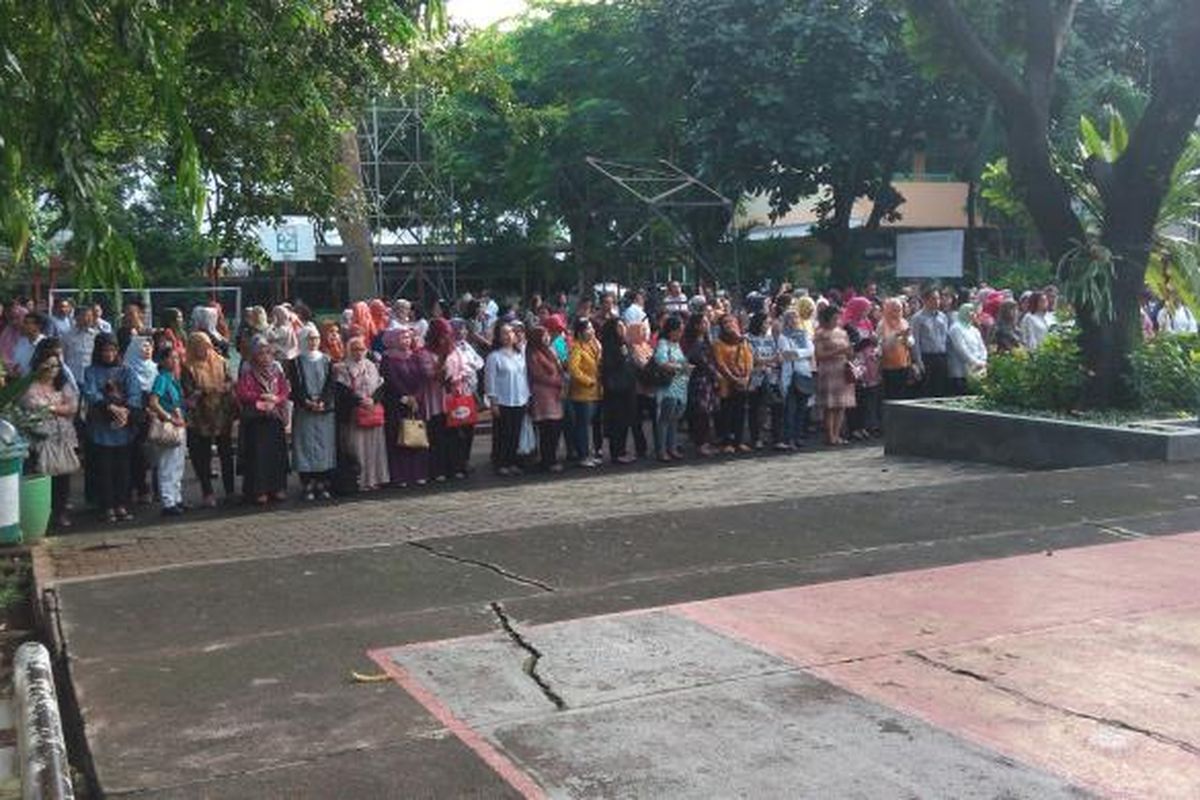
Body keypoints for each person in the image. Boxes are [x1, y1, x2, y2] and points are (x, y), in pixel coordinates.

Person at [82, 333, 142, 523]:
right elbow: (90, 393)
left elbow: (135, 394)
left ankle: (121, 504)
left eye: (112, 350)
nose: (108, 354)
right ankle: (107, 506)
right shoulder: (91, 371)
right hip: (101, 426)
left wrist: (125, 411)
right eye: (104, 350)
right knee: (104, 469)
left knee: (123, 469)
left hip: (124, 428)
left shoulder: (127, 371)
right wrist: (110, 407)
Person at [21, 342, 80, 530]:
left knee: (63, 477)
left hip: (62, 438)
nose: (52, 370)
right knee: (44, 476)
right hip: (41, 439)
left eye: (55, 365)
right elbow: (33, 408)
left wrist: (53, 408)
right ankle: (42, 514)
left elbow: (72, 406)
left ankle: (61, 511)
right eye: (48, 365)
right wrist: (56, 409)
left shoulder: (62, 384)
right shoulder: (30, 386)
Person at [181, 331, 236, 507]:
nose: (203, 350)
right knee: (202, 456)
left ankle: (230, 491)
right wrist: (203, 391)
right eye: (199, 347)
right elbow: (189, 392)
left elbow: (230, 381)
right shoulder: (188, 367)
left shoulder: (221, 361)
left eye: (206, 346)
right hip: (201, 417)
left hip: (222, 414)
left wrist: (224, 387)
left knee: (226, 454)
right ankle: (208, 492)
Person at [235, 336, 291, 504]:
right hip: (257, 421)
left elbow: (285, 390)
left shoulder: (276, 373)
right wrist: (261, 396)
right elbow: (242, 392)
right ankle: (259, 490)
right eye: (261, 354)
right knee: (259, 456)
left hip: (274, 418)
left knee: (277, 455)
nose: (265, 357)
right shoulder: (248, 373)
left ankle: (278, 487)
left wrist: (276, 398)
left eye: (268, 354)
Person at [289, 324, 337, 500]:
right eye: (309, 338)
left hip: (324, 410)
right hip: (305, 410)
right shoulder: (295, 362)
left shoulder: (326, 360)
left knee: (324, 446)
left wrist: (323, 401)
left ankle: (322, 481)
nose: (313, 342)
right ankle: (307, 482)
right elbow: (295, 387)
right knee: (306, 446)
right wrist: (307, 402)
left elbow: (331, 384)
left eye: (316, 338)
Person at [336, 336, 389, 492]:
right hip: (355, 414)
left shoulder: (371, 365)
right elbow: (342, 391)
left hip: (372, 411)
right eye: (355, 349)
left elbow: (380, 385)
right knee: (357, 447)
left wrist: (373, 399)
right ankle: (360, 480)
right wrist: (359, 401)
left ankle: (375, 479)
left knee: (374, 448)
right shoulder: (343, 367)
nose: (359, 352)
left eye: (361, 349)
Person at [380, 327, 432, 487]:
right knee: (399, 438)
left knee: (417, 436)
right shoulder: (387, 359)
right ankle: (400, 476)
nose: (407, 341)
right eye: (403, 338)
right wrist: (405, 397)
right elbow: (391, 380)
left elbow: (423, 378)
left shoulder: (415, 356)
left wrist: (416, 397)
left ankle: (419, 473)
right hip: (397, 404)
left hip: (416, 404)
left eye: (409, 337)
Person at [485, 323, 530, 476]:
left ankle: (512, 462)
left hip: (520, 400)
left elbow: (524, 378)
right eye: (504, 333)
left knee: (515, 433)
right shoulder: (494, 357)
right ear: (499, 337)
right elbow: (490, 381)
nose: (508, 335)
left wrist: (527, 397)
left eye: (511, 332)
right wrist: (493, 401)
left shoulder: (520, 355)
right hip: (503, 401)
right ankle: (501, 463)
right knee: (503, 433)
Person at [147, 348, 188, 516]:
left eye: (177, 358)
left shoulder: (174, 379)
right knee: (167, 463)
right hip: (169, 425)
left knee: (178, 463)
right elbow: (153, 402)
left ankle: (176, 497)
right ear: (163, 361)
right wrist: (168, 417)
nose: (175, 361)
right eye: (171, 358)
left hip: (180, 424)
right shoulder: (162, 378)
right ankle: (168, 500)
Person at [123, 335, 158, 505]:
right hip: (135, 415)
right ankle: (136, 488)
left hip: (154, 414)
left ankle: (153, 489)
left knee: (151, 452)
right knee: (136, 452)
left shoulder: (154, 368)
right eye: (144, 346)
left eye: (150, 346)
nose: (148, 349)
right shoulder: (128, 369)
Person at [814, 304, 855, 446]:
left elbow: (849, 351)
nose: (837, 320)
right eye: (834, 317)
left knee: (841, 404)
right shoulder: (820, 333)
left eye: (838, 317)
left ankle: (837, 435)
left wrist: (850, 351)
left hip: (842, 368)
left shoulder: (842, 332)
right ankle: (830, 436)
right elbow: (819, 355)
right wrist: (838, 351)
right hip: (828, 369)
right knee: (830, 405)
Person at [599, 319, 638, 464]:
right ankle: (616, 452)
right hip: (616, 390)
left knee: (626, 420)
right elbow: (609, 367)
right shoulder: (609, 346)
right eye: (619, 326)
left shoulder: (625, 344)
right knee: (617, 421)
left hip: (628, 387)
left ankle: (622, 449)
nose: (623, 328)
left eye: (623, 325)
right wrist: (622, 357)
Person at [447, 319, 483, 478]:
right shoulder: (450, 348)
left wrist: (470, 367)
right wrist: (466, 370)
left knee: (469, 428)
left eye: (464, 330)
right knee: (457, 430)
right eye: (459, 330)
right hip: (456, 392)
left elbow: (478, 361)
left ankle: (465, 460)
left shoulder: (467, 346)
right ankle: (456, 463)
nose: (462, 333)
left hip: (470, 391)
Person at [526, 325, 565, 472]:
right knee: (547, 429)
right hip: (543, 395)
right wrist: (558, 383)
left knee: (555, 427)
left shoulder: (550, 351)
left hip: (555, 394)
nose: (547, 338)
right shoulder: (533, 354)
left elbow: (559, 367)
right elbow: (538, 375)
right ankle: (548, 460)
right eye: (544, 335)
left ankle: (552, 457)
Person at [712, 315, 753, 453]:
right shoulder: (718, 343)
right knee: (727, 412)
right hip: (726, 383)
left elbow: (749, 359)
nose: (729, 324)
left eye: (732, 321)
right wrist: (732, 378)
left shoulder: (743, 341)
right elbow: (720, 363)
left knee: (740, 412)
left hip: (742, 381)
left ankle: (739, 441)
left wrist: (747, 376)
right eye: (725, 322)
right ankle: (727, 442)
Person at [422, 320, 456, 482]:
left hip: (451, 399)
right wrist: (442, 358)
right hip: (434, 400)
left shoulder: (453, 350)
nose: (445, 338)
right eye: (442, 335)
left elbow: (459, 369)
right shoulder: (425, 353)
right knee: (436, 436)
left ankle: (453, 467)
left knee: (451, 436)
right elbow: (432, 375)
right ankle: (437, 470)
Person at [567, 318, 603, 468]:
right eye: (588, 329)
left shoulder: (593, 345)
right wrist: (588, 381)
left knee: (590, 424)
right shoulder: (576, 347)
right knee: (582, 426)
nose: (592, 331)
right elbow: (574, 369)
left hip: (596, 392)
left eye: (592, 328)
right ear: (580, 332)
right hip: (582, 393)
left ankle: (590, 453)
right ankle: (583, 455)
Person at [653, 315, 689, 461]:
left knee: (674, 419)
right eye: (678, 331)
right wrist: (681, 367)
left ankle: (672, 447)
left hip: (680, 386)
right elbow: (661, 361)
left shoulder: (676, 345)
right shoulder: (663, 343)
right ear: (671, 331)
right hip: (668, 387)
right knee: (665, 419)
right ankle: (661, 450)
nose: (681, 334)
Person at [683, 313, 719, 457]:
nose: (707, 324)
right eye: (703, 323)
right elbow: (701, 361)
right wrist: (715, 373)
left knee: (706, 412)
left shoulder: (705, 340)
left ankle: (704, 441)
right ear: (696, 326)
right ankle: (701, 443)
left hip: (706, 379)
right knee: (701, 413)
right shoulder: (695, 343)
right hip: (700, 380)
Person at [746, 313, 782, 449]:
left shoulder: (769, 338)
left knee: (777, 405)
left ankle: (776, 438)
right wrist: (770, 361)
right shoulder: (748, 338)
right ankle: (756, 438)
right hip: (755, 378)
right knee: (756, 409)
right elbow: (752, 358)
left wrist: (774, 360)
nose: (768, 325)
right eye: (766, 322)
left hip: (771, 376)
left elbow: (776, 355)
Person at [779, 310, 813, 449]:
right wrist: (802, 353)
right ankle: (789, 438)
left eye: (796, 318)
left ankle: (798, 436)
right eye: (791, 319)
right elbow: (786, 354)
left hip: (804, 373)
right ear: (786, 321)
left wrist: (798, 353)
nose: (794, 321)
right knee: (790, 409)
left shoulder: (804, 334)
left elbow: (811, 351)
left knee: (802, 409)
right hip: (791, 375)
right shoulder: (783, 336)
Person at [911, 288, 950, 397]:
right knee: (927, 390)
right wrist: (919, 361)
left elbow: (946, 339)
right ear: (925, 300)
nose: (937, 301)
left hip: (941, 356)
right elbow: (915, 341)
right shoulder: (917, 318)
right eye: (933, 299)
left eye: (938, 298)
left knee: (941, 389)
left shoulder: (943, 317)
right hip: (926, 357)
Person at [626, 321, 656, 459]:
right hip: (638, 389)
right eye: (641, 330)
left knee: (656, 417)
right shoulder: (632, 348)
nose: (645, 332)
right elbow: (643, 364)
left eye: (645, 329)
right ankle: (640, 447)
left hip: (651, 389)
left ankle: (658, 444)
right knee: (636, 421)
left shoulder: (647, 346)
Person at [878, 298, 914, 401]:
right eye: (894, 310)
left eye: (900, 309)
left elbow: (911, 343)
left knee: (903, 395)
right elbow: (882, 345)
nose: (898, 313)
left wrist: (906, 338)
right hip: (888, 366)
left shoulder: (904, 322)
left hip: (903, 363)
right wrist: (896, 335)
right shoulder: (882, 324)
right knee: (891, 395)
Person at [948, 303, 988, 394]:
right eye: (970, 311)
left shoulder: (974, 330)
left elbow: (982, 347)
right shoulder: (956, 328)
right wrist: (975, 362)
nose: (973, 314)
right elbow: (961, 349)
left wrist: (983, 360)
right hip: (961, 371)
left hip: (978, 370)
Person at [62, 305, 98, 385]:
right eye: (86, 315)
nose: (89, 319)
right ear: (76, 317)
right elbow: (62, 356)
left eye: (91, 316)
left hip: (90, 378)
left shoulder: (96, 335)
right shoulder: (67, 335)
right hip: (72, 377)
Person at [12, 310, 46, 377]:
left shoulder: (46, 344)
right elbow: (16, 365)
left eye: (29, 323)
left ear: (39, 326)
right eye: (25, 322)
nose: (25, 326)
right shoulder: (21, 342)